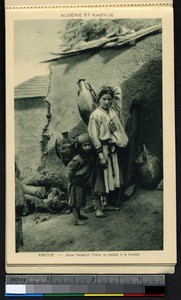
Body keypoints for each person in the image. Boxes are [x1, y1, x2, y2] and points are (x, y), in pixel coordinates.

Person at [88, 86, 128, 218]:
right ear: (99, 99)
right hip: (102, 149)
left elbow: (118, 131)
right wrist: (100, 155)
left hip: (113, 148)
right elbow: (94, 136)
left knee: (112, 176)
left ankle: (108, 204)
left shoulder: (112, 112)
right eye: (104, 99)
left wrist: (114, 131)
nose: (107, 102)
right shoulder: (95, 115)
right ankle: (97, 207)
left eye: (109, 99)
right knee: (100, 177)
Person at [67, 133, 93, 225]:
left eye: (89, 145)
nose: (87, 147)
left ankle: (79, 215)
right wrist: (71, 180)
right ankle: (76, 220)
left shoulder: (88, 156)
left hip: (82, 182)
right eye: (85, 145)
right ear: (80, 147)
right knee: (75, 201)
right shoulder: (78, 158)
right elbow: (70, 169)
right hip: (75, 182)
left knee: (79, 200)